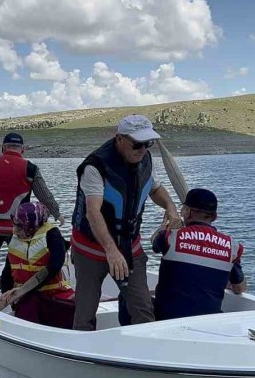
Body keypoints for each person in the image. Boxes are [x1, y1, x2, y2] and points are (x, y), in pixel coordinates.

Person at [70, 114, 181, 331]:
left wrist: (170, 206)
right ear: (119, 139)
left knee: (143, 308)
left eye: (148, 143)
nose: (142, 149)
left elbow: (154, 188)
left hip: (129, 246)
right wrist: (111, 251)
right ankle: (83, 353)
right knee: (85, 312)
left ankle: (144, 355)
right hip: (91, 249)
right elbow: (93, 213)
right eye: (137, 143)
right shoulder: (94, 167)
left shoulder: (145, 159)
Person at [0, 132, 62, 292]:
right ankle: (11, 294)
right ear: (23, 149)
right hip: (18, 228)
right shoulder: (30, 169)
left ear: (3, 148)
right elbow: (44, 195)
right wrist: (57, 213)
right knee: (14, 260)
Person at [151, 188, 247, 320]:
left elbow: (154, 243)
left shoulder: (170, 238)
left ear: (187, 212)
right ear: (215, 216)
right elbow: (240, 288)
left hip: (168, 320)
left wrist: (165, 225)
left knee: (128, 298)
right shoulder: (231, 247)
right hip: (207, 323)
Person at [0, 202, 75, 329]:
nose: (15, 230)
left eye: (19, 226)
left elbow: (54, 267)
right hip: (25, 297)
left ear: (31, 226)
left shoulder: (52, 236)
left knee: (72, 312)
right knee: (29, 307)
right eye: (14, 225)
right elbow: (7, 272)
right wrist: (6, 294)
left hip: (54, 294)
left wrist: (23, 291)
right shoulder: (14, 239)